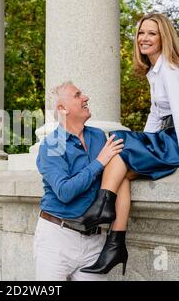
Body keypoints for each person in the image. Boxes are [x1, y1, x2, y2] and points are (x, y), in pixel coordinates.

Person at [80, 13, 179, 275]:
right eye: (141, 33)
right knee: (121, 166)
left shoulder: (171, 68)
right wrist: (142, 140)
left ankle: (102, 207)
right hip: (167, 134)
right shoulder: (155, 70)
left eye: (152, 33)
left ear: (164, 38)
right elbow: (156, 114)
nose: (144, 38)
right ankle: (115, 243)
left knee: (118, 145)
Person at [34, 81, 126, 281]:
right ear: (62, 108)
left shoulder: (98, 137)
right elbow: (65, 191)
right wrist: (100, 161)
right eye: (77, 95)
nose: (85, 98)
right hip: (57, 238)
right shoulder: (52, 145)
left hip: (95, 241)